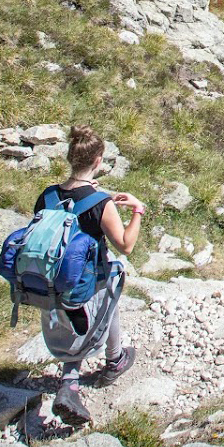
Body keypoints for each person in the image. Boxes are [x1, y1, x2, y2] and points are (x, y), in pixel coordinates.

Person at [39, 125, 145, 426]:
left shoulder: (47, 196)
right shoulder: (102, 204)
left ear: (70, 158)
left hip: (51, 278)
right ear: (98, 161)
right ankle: (113, 361)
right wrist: (138, 210)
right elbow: (125, 245)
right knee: (110, 286)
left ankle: (72, 380)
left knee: (72, 319)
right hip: (88, 280)